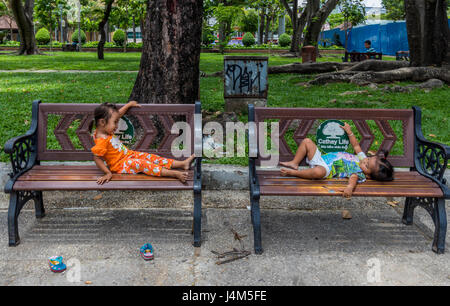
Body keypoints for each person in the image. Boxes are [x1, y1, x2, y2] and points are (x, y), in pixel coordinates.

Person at [279, 123, 394, 199]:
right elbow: (356, 146)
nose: (365, 161)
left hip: (326, 170)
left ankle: (294, 173)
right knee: (307, 141)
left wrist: (349, 188)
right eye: (368, 159)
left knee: (318, 173)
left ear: (368, 176)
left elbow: (353, 179)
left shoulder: (358, 172)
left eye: (367, 166)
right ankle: (295, 162)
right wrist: (349, 132)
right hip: (321, 158)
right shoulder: (362, 158)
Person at [91, 101, 195, 184]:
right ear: (102, 122)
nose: (117, 125)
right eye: (115, 122)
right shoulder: (101, 140)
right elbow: (97, 158)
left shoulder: (105, 129)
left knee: (151, 157)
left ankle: (182, 164)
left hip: (129, 155)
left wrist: (129, 105)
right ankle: (174, 174)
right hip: (121, 165)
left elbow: (118, 114)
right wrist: (107, 173)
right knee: (143, 164)